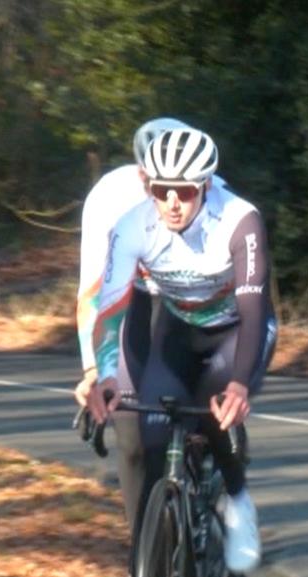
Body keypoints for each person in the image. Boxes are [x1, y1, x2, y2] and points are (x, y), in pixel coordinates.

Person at [81, 126, 274, 577]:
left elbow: (253, 312)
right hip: (177, 332)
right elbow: (109, 311)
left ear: (206, 187)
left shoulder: (239, 221)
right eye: (160, 190)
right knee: (148, 434)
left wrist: (240, 386)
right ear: (147, 185)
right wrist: (103, 374)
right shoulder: (132, 224)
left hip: (235, 333)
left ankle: (237, 499)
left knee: (213, 413)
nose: (171, 202)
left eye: (184, 192)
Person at [75, 118, 232, 409]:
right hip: (138, 297)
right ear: (140, 172)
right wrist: (92, 369)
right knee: (132, 429)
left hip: (198, 296)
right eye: (154, 182)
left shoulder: (219, 195)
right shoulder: (110, 197)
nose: (168, 197)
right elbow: (92, 290)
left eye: (182, 186)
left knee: (206, 397)